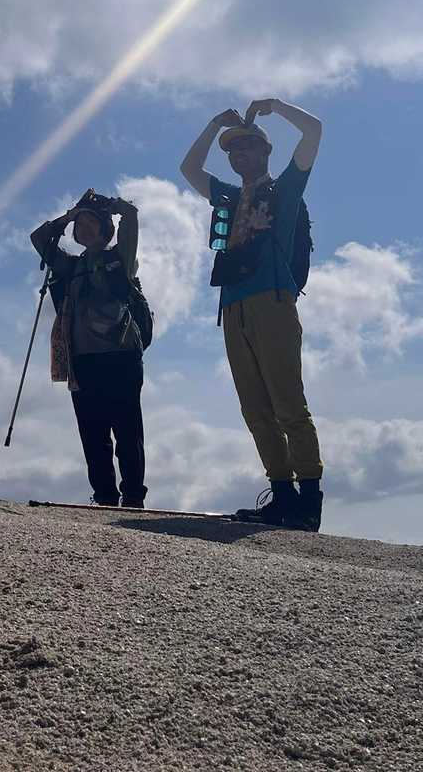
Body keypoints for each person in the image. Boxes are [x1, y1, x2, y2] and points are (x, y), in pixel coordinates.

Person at [179, 99, 324, 531]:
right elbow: (189, 169)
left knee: (288, 402)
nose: (239, 154)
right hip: (233, 305)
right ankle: (281, 495)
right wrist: (212, 124)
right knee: (254, 407)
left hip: (273, 301)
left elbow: (314, 130)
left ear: (265, 151)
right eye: (233, 150)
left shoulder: (285, 190)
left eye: (247, 147)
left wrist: (275, 106)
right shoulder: (227, 195)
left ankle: (308, 502)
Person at [30, 189, 147, 508]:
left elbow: (131, 217)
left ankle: (133, 496)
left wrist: (112, 205)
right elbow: (38, 238)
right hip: (82, 358)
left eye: (91, 222)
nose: (84, 228)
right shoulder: (69, 265)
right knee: (93, 432)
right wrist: (67, 216)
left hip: (121, 356)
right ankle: (105, 495)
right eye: (79, 225)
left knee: (127, 430)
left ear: (106, 227)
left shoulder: (121, 257)